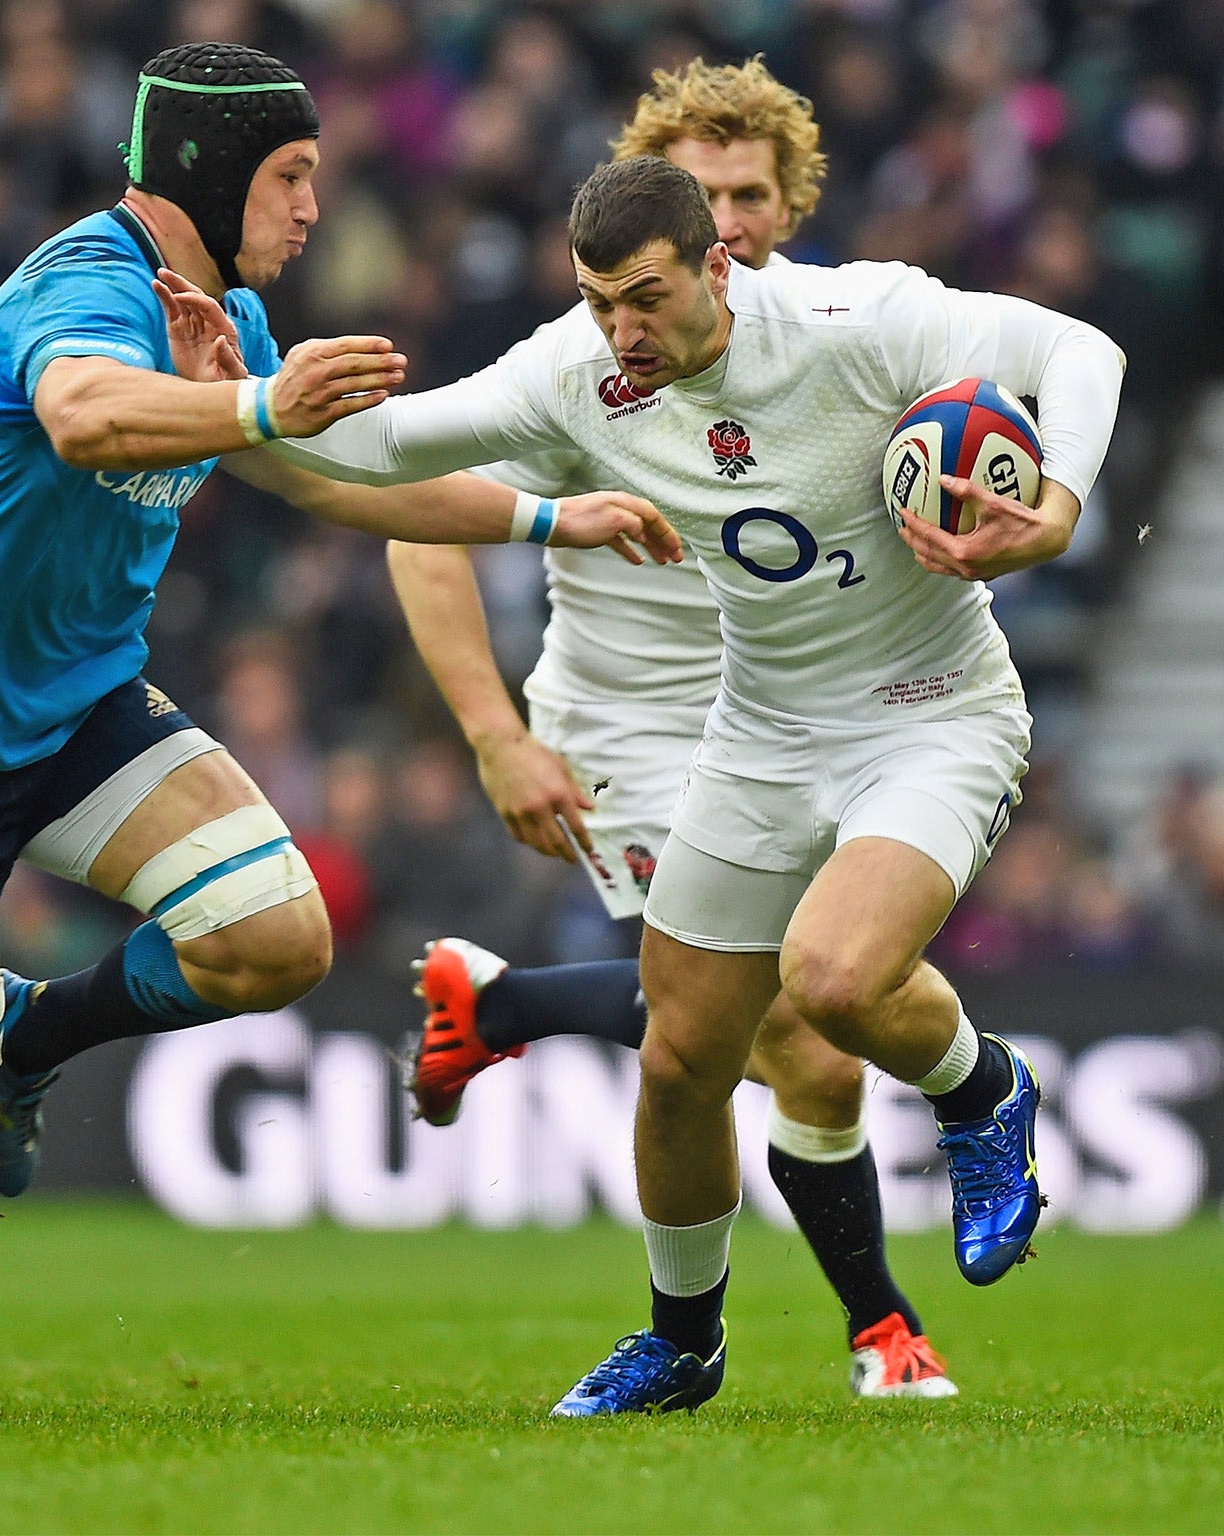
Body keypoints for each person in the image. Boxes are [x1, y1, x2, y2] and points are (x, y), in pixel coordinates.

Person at [0, 42, 673, 1418]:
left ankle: (31, 1042)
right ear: (210, 170)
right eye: (293, 175)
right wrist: (251, 401)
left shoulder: (231, 322)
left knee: (278, 936)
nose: (314, 207)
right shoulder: (84, 283)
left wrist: (555, 516)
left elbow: (343, 484)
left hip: (74, 707)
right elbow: (80, 417)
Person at [247, 153, 1126, 1414]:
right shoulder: (578, 372)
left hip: (929, 717)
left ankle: (982, 1093)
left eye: (646, 297)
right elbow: (386, 454)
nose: (623, 330)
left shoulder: (854, 320)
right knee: (677, 1062)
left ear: (720, 263)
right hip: (757, 734)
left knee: (829, 979)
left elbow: (1081, 352)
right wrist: (230, 402)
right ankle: (682, 1342)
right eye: (601, 299)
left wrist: (1052, 507)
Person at [388, 58, 957, 1399]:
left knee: (789, 1023)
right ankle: (877, 1327)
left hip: (788, 729)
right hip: (630, 737)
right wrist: (491, 732)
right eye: (704, 194)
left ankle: (500, 1002)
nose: (733, 218)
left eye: (750, 194)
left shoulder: (831, 344)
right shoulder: (594, 367)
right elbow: (423, 524)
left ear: (783, 201)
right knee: (787, 1034)